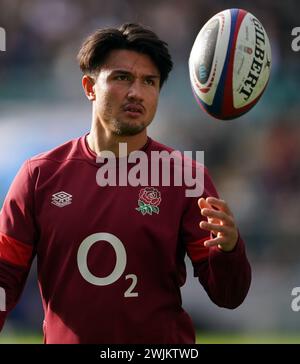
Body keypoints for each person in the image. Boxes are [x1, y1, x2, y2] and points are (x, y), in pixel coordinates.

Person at [0, 23, 251, 344]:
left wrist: (229, 249)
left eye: (149, 82)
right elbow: (5, 275)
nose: (136, 92)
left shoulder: (185, 177)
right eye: (122, 78)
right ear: (90, 87)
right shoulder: (40, 175)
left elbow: (229, 295)